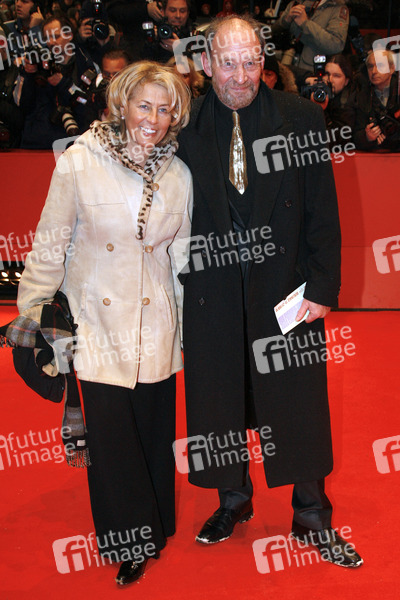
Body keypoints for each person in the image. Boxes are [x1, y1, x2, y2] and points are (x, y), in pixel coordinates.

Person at [177, 14, 363, 567]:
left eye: (251, 62)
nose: (241, 76)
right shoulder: (184, 122)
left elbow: (323, 210)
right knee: (219, 399)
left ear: (265, 62)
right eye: (228, 63)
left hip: (286, 289)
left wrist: (322, 286)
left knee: (298, 404)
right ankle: (232, 501)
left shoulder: (301, 117)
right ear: (206, 62)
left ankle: (312, 514)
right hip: (211, 290)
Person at [16, 60, 193, 585]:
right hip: (96, 321)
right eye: (144, 106)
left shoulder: (180, 175)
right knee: (113, 438)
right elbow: (50, 242)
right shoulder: (80, 160)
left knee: (153, 430)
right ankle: (129, 540)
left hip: (156, 321)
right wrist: (30, 313)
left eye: (165, 110)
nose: (153, 120)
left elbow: (182, 260)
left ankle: (156, 522)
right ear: (122, 105)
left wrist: (189, 328)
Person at [273, 0, 349, 72]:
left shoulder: (337, 8)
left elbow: (336, 45)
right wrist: (286, 20)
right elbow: (272, 32)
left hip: (312, 71)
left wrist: (305, 24)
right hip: (286, 66)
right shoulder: (296, 2)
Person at [353, 49, 400, 152]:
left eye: (380, 65)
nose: (374, 71)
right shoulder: (363, 96)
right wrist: (367, 137)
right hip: (376, 155)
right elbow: (356, 137)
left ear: (392, 68)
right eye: (370, 66)